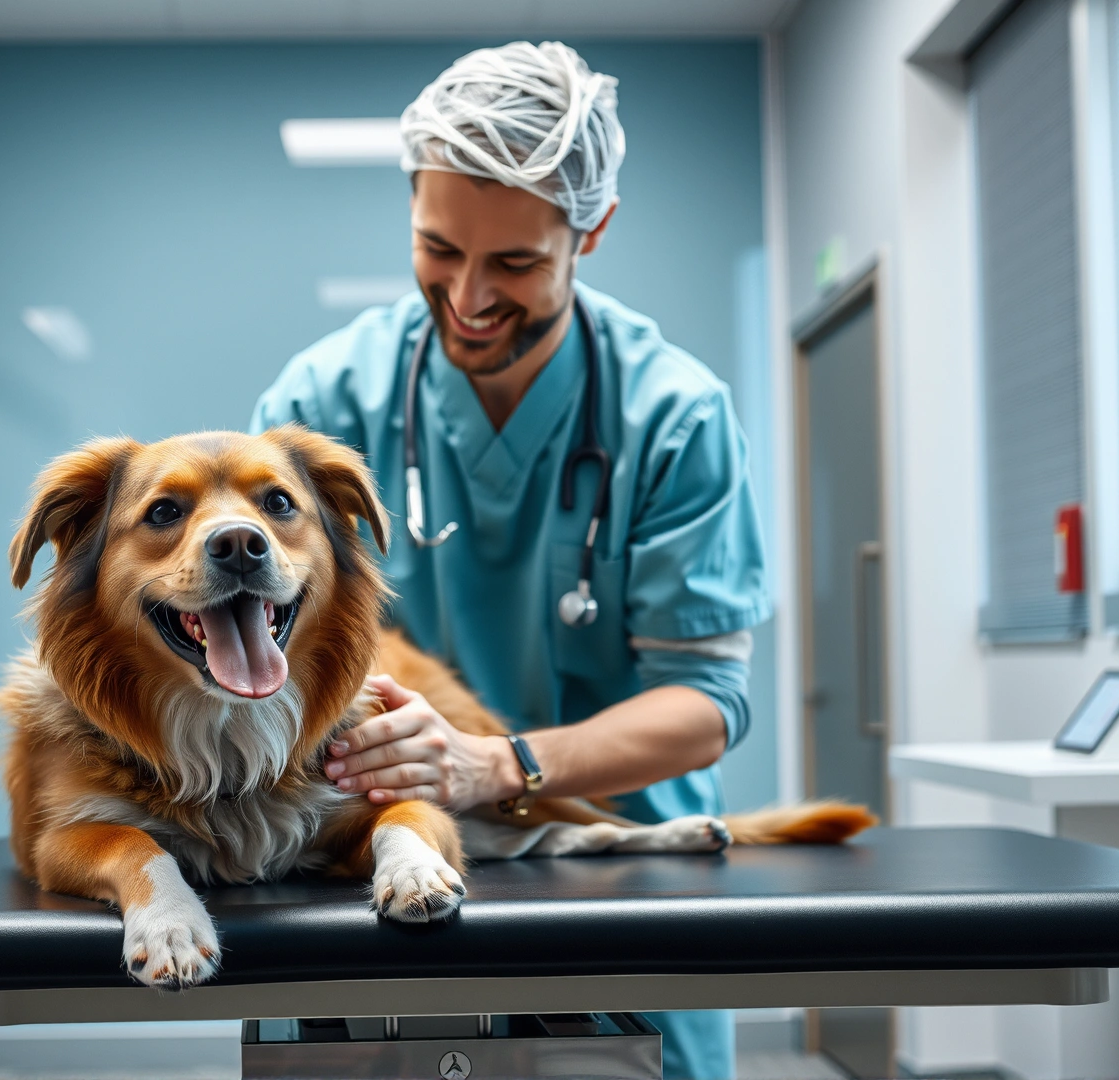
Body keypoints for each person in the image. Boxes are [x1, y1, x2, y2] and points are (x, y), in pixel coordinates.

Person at [250, 41, 765, 1080]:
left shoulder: (672, 416)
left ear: (592, 230)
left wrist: (498, 767)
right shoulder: (321, 407)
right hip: (364, 872)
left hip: (603, 879)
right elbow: (252, 655)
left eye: (517, 264)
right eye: (439, 248)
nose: (470, 297)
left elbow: (707, 702)